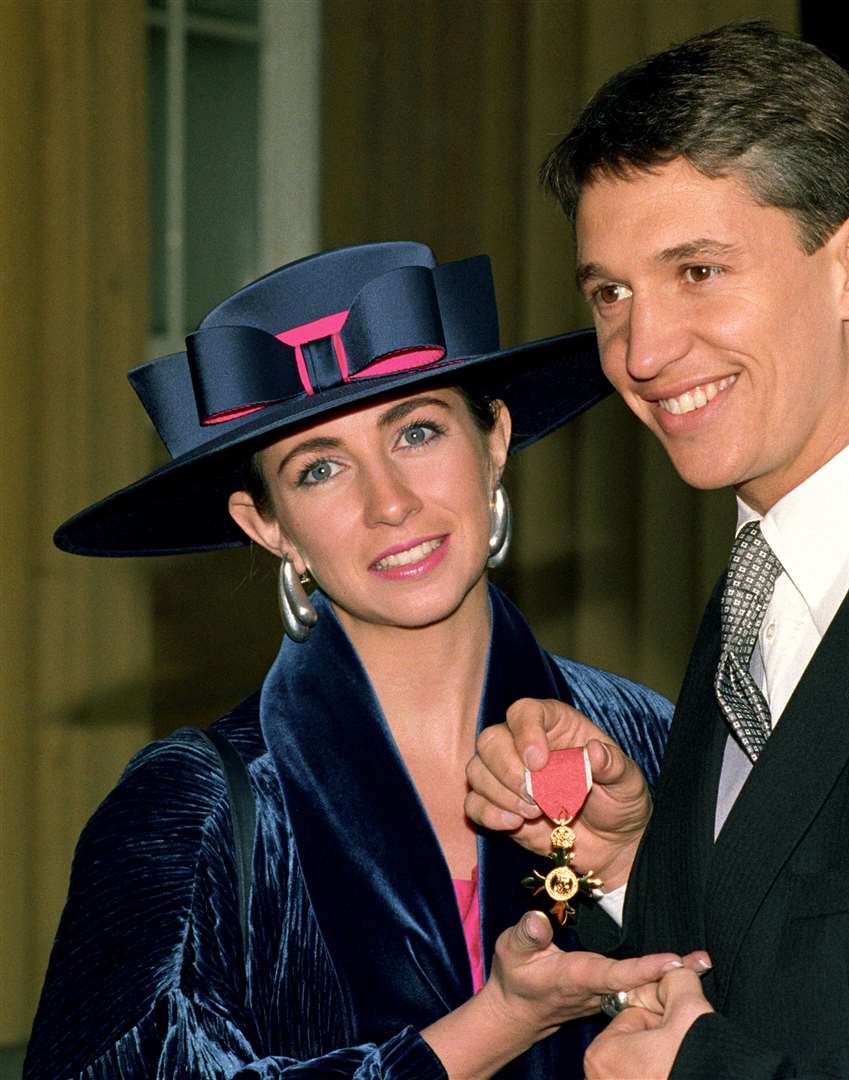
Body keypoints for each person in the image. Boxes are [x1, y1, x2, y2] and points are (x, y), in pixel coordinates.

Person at [465, 22, 849, 1080]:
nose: (640, 350)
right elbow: (752, 978)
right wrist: (619, 865)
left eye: (698, 271)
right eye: (608, 293)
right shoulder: (755, 588)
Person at [25, 242, 701, 1080]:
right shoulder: (188, 809)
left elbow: (783, 1021)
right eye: (318, 471)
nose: (389, 503)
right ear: (266, 524)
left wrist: (627, 875)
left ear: (493, 438)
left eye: (416, 431)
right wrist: (493, 1026)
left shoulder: (651, 739)